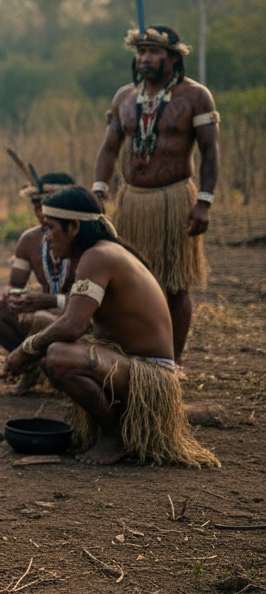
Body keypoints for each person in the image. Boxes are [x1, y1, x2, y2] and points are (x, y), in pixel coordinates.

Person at [3, 187, 219, 467]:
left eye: (50, 228)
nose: (46, 238)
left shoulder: (98, 256)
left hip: (150, 378)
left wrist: (26, 349)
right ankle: (111, 427)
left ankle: (117, 434)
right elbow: (76, 310)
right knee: (47, 330)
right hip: (128, 365)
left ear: (74, 227)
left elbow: (73, 325)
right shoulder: (100, 253)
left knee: (57, 355)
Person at [92, 24, 219, 369]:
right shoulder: (124, 97)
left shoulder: (195, 97)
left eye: (153, 52)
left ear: (173, 58)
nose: (144, 59)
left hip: (174, 200)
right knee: (128, 282)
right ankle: (130, 356)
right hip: (131, 201)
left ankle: (171, 366)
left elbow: (209, 151)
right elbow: (109, 148)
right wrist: (99, 190)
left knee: (175, 285)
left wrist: (203, 201)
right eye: (140, 52)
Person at [0, 171, 76, 393]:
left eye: (46, 205)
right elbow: (15, 284)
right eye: (36, 205)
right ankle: (31, 368)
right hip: (43, 316)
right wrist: (14, 296)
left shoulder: (85, 239)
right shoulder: (29, 240)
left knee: (41, 317)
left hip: (80, 318)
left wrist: (48, 302)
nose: (40, 212)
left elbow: (95, 302)